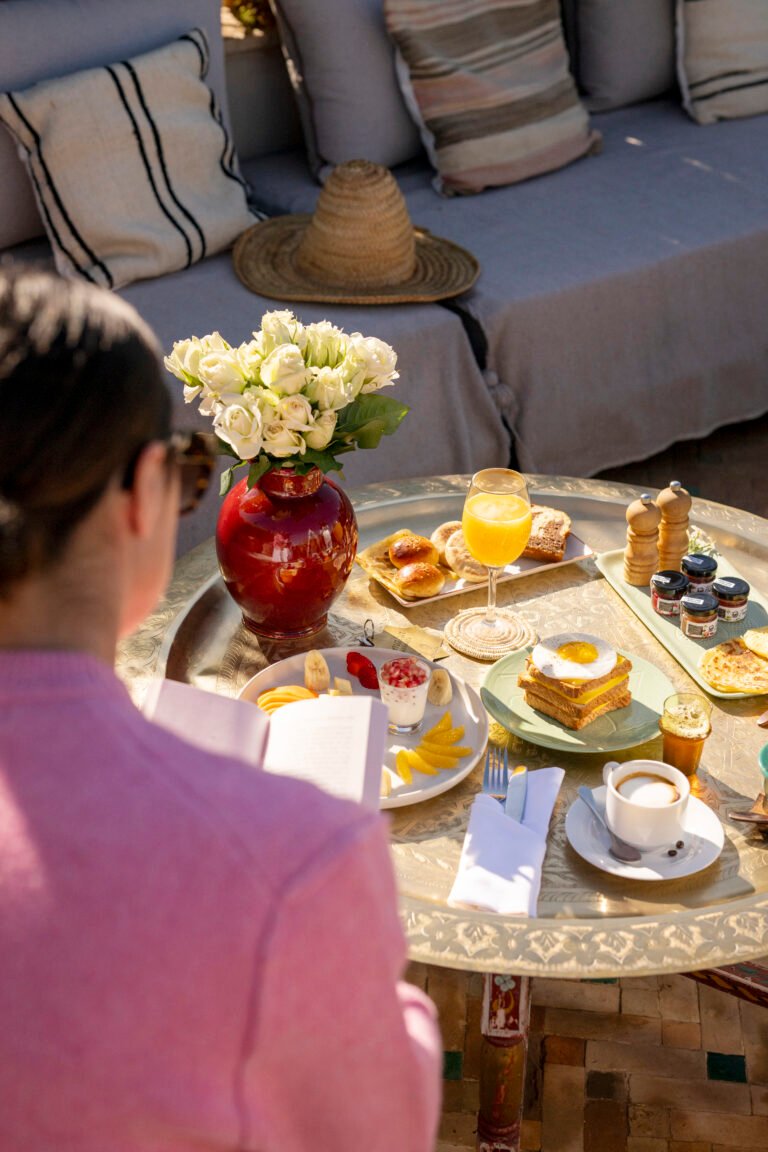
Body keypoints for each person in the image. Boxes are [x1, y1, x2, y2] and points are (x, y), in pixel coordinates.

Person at [0, 268, 442, 1151]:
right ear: (142, 494)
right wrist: (370, 981)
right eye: (197, 470)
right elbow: (379, 1130)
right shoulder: (296, 861)